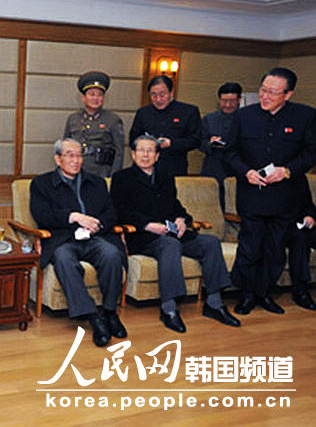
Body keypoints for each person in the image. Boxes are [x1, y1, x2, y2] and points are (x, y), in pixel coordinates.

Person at [111, 134, 240, 332]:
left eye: (150, 151)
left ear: (157, 156)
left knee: (210, 242)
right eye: (141, 150)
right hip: (144, 237)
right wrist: (147, 225)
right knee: (170, 245)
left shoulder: (165, 177)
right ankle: (169, 309)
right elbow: (119, 211)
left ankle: (214, 304)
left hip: (173, 234)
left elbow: (176, 206)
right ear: (133, 154)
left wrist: (183, 220)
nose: (145, 155)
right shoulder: (122, 178)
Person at [224, 67, 316, 316]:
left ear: (288, 94)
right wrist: (246, 172)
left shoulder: (305, 116)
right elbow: (230, 153)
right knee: (250, 247)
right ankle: (246, 295)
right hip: (252, 194)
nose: (265, 96)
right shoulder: (244, 116)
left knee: (274, 251)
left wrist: (287, 171)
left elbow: (310, 153)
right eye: (263, 90)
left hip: (285, 196)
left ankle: (264, 293)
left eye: (273, 93)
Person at [29, 138, 127, 347]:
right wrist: (73, 217)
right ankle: (93, 317)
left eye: (79, 155)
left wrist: (97, 224)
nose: (76, 160)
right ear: (58, 159)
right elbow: (42, 215)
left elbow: (112, 214)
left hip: (95, 237)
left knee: (111, 254)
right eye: (69, 155)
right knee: (64, 259)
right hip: (63, 239)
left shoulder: (97, 182)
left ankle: (109, 312)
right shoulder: (42, 184)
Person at [129, 75, 201, 177]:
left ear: (171, 93)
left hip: (173, 168)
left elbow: (196, 140)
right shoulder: (143, 112)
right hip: (145, 169)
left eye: (162, 95)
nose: (158, 99)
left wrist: (171, 143)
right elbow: (133, 139)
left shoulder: (188, 111)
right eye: (154, 95)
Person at [63, 71, 124, 177]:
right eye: (92, 94)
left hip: (102, 172)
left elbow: (119, 152)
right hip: (76, 171)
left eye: (100, 95)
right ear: (83, 98)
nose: (96, 98)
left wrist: (113, 177)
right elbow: (65, 147)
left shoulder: (113, 120)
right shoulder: (73, 119)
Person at [200, 82, 242, 211]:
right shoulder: (209, 119)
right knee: (210, 206)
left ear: (239, 100)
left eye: (232, 101)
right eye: (224, 101)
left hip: (238, 169)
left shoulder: (247, 117)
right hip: (213, 168)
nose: (228, 105)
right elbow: (199, 142)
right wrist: (209, 143)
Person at [283, 175, 315, 310]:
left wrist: (310, 216)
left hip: (303, 224)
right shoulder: (268, 176)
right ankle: (300, 291)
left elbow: (308, 204)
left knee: (304, 234)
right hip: (282, 227)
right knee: (300, 239)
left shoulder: (298, 176)